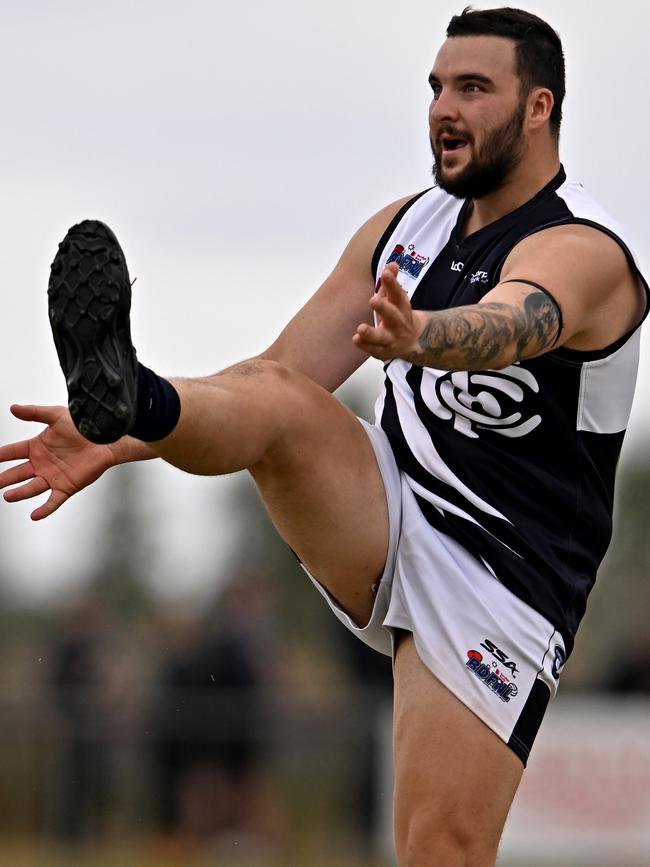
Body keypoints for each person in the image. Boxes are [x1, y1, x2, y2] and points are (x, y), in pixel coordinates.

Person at [0, 7, 647, 865]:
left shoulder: (586, 249)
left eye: (473, 88)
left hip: (504, 573)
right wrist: (125, 435)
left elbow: (515, 321)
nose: (443, 108)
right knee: (280, 402)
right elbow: (276, 375)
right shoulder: (404, 230)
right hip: (384, 501)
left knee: (438, 851)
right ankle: (139, 394)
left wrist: (421, 337)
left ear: (539, 108)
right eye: (437, 87)